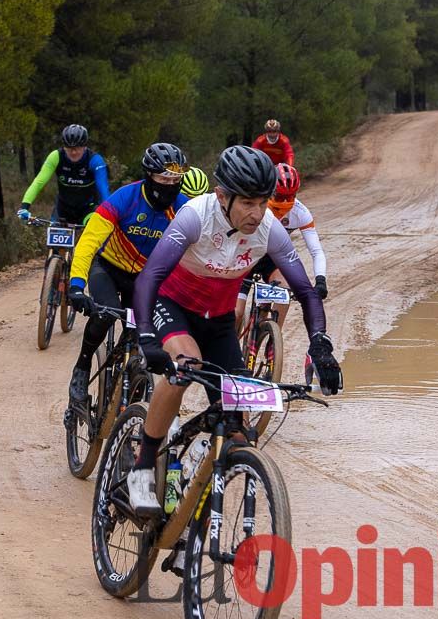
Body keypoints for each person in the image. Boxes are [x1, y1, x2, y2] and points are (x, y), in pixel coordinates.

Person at [126, 146, 342, 516]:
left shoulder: (268, 230)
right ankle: (143, 464)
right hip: (173, 306)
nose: (257, 214)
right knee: (187, 368)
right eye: (247, 203)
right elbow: (152, 275)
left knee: (238, 430)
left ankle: (193, 516)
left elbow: (304, 290)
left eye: (263, 202)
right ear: (222, 196)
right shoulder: (195, 217)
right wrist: (146, 334)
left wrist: (320, 345)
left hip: (220, 322)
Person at [63, 143, 189, 405]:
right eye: (164, 178)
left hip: (143, 280)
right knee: (105, 312)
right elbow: (88, 242)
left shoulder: (182, 208)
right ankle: (82, 368)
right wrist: (76, 285)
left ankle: (131, 389)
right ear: (149, 176)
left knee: (141, 333)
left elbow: (197, 251)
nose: (170, 185)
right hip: (108, 268)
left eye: (175, 180)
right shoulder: (125, 198)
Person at [235, 163, 328, 333]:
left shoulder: (301, 213)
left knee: (284, 291)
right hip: (245, 258)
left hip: (271, 260)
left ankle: (273, 339)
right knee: (236, 313)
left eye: (290, 197)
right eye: (279, 196)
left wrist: (321, 280)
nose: (284, 202)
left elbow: (316, 251)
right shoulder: (255, 206)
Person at [16, 124, 111, 225]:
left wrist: (110, 213)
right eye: (69, 148)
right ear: (64, 146)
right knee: (54, 236)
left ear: (85, 146)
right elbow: (38, 182)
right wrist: (24, 207)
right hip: (63, 210)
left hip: (88, 209)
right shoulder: (55, 156)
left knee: (92, 234)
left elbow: (103, 189)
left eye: (77, 148)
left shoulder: (95, 160)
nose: (73, 152)